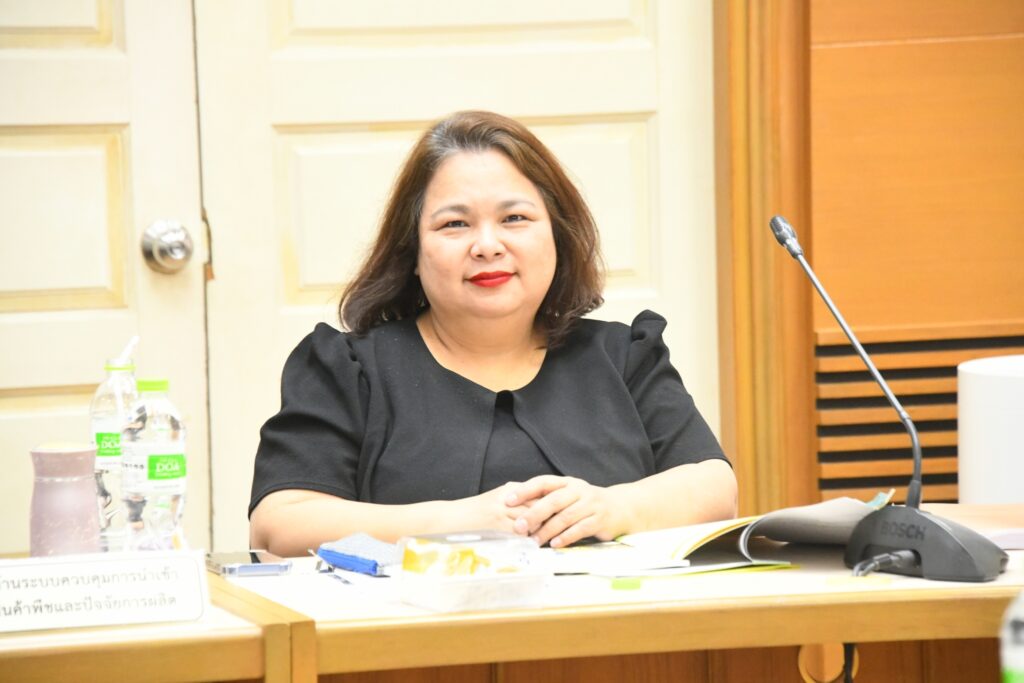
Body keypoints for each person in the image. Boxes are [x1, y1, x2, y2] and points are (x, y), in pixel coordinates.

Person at [249, 110, 737, 558]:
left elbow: (714, 487)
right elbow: (279, 524)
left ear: (558, 236)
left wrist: (614, 508)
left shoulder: (624, 356)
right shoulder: (347, 369)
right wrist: (455, 522)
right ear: (412, 252)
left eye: (514, 219)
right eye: (455, 224)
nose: (487, 245)